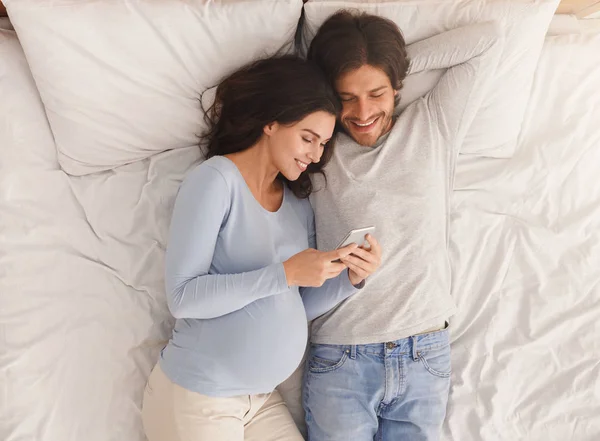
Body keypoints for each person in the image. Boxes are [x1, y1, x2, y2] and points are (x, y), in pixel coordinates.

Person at [140, 55, 382, 441]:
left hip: (259, 401)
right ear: (270, 121)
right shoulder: (216, 181)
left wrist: (348, 279)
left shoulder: (297, 203)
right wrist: (285, 273)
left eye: (322, 143)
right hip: (199, 397)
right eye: (307, 137)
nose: (316, 155)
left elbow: (292, 305)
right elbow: (183, 297)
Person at [303, 11, 503, 441]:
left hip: (424, 354)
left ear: (396, 87)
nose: (362, 112)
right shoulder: (318, 150)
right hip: (343, 354)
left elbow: (488, 36)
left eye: (376, 93)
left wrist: (389, 62)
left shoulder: (432, 124)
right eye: (346, 97)